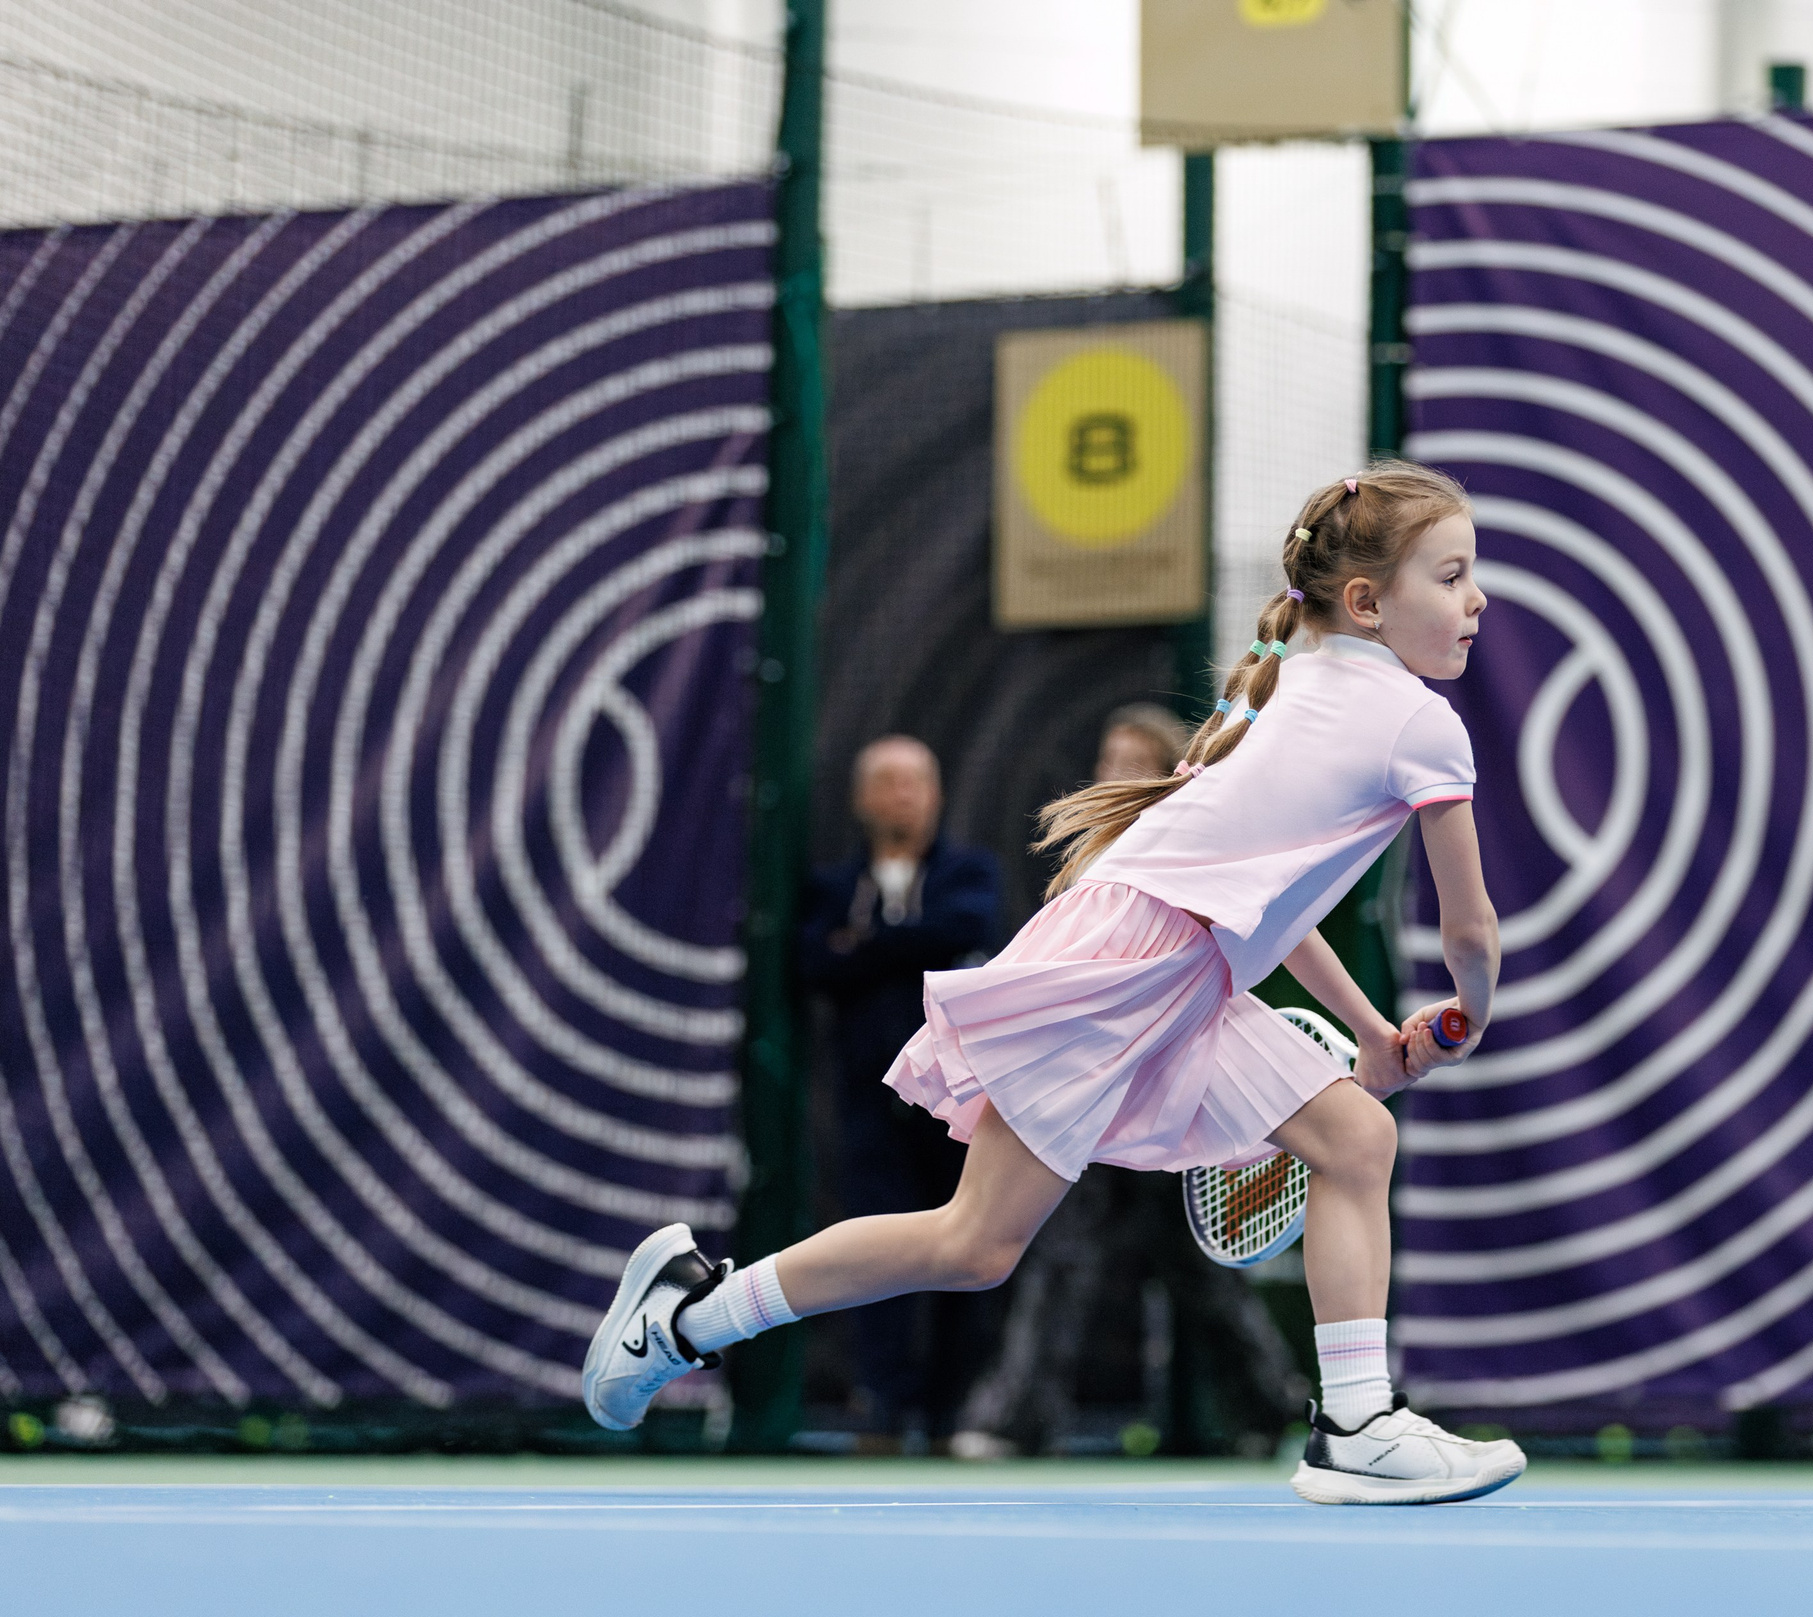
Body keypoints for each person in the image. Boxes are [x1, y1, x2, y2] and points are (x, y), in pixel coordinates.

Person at [587, 461, 1519, 1505]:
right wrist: (1470, 1013)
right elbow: (1469, 929)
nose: (1475, 599)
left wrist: (1374, 1032)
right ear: (1366, 602)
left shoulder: (1286, 687)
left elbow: (1269, 904)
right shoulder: (1417, 724)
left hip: (1182, 963)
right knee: (974, 1242)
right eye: (1450, 576)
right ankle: (688, 1316)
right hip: (1130, 964)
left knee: (1355, 1138)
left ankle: (1355, 1425)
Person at [948, 700, 1307, 1460]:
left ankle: (1270, 1411)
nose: (1115, 774)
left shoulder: (1194, 850)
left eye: (1133, 762)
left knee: (1199, 1268)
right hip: (1093, 1091)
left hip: (1176, 1089)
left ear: (1169, 773)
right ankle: (1016, 1421)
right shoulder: (1090, 860)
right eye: (1108, 760)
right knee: (1059, 1254)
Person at [795, 735, 1002, 1444]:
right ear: (861, 799)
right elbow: (814, 960)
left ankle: (947, 1416)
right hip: (866, 1107)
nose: (901, 795)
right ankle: (881, 1407)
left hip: (957, 1106)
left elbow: (969, 931)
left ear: (936, 794)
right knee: (874, 1251)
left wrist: (868, 943)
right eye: (886, 781)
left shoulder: (970, 872)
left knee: (965, 1253)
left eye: (914, 781)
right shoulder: (832, 887)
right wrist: (911, 944)